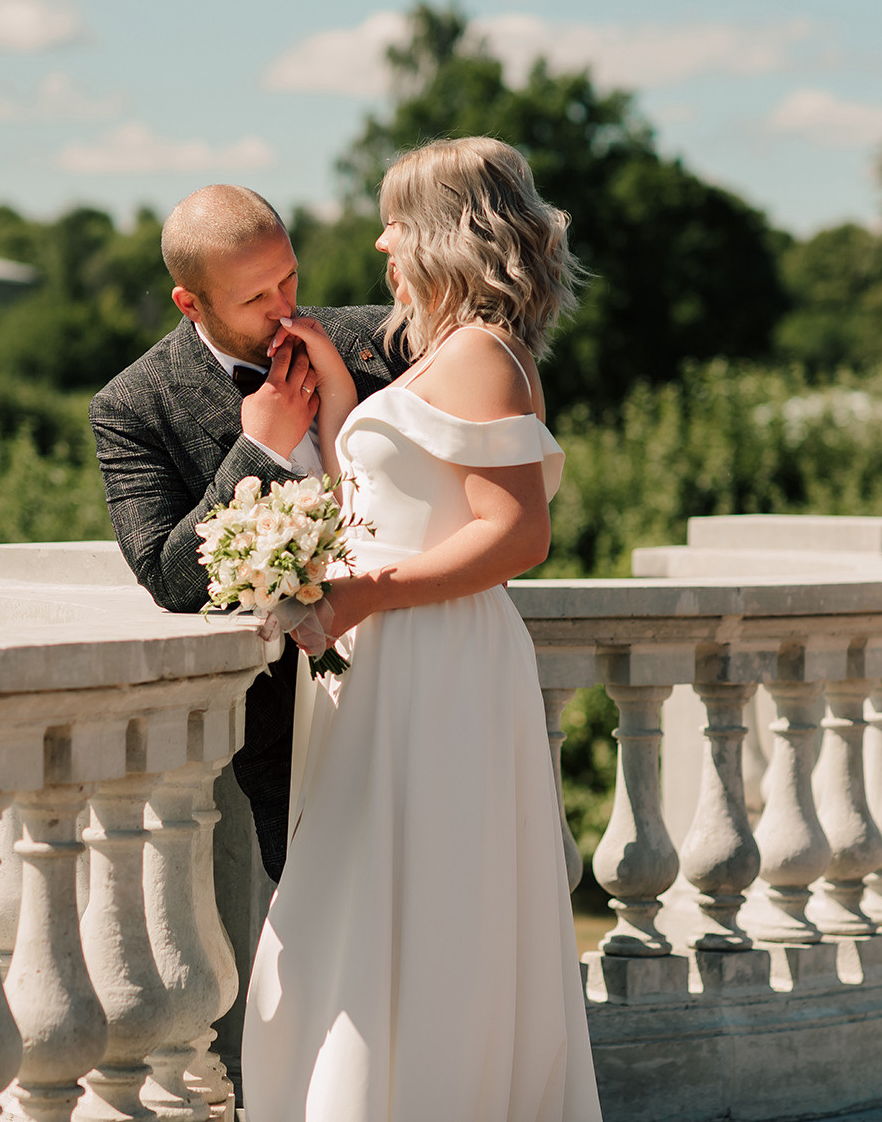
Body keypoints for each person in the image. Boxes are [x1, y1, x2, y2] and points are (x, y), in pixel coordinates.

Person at [243, 137, 603, 1121]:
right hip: (402, 656)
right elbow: (405, 486)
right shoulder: (450, 355)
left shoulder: (484, 352)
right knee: (368, 897)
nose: (378, 241)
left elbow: (515, 533)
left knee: (419, 901)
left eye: (394, 222)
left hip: (434, 658)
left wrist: (363, 596)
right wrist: (333, 392)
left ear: (445, 235)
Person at [89, 184, 409, 884]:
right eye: (254, 297)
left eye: (288, 276)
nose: (284, 307)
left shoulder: (385, 340)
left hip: (423, 689)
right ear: (190, 302)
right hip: (288, 736)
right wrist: (256, 451)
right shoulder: (134, 406)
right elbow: (172, 582)